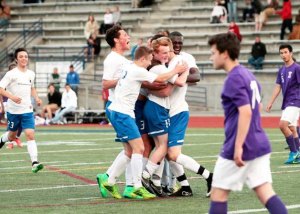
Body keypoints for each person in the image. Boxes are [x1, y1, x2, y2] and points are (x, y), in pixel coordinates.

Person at [207, 32, 287, 214]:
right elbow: (256, 107)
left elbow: (246, 111)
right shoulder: (248, 74)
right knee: (265, 192)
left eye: (213, 52)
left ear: (225, 53)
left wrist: (238, 147)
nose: (211, 57)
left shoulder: (233, 79)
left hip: (242, 145)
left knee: (218, 194)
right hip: (259, 142)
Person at [99, 45, 186, 200]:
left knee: (129, 151)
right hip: (122, 113)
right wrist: (176, 70)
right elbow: (159, 79)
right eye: (149, 60)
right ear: (143, 58)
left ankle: (109, 180)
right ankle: (136, 187)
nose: (149, 64)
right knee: (139, 147)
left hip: (118, 110)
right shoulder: (138, 70)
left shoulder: (129, 67)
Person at [96, 25, 133, 199]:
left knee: (131, 149)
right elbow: (105, 83)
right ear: (116, 40)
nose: (129, 37)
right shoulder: (112, 59)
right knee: (133, 149)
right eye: (125, 35)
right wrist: (126, 79)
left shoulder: (122, 59)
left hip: (123, 106)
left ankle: (108, 177)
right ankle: (111, 179)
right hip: (117, 106)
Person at [0, 48, 43, 173]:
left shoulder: (31, 74)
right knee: (12, 135)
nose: (24, 58)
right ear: (16, 59)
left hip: (27, 110)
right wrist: (12, 97)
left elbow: (32, 88)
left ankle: (34, 162)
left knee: (30, 134)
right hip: (13, 112)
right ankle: (2, 139)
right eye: (21, 57)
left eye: (26, 56)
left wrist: (37, 98)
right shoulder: (11, 74)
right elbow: (0, 88)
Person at [266, 44, 300, 164]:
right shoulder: (281, 70)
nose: (283, 55)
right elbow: (278, 87)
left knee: (282, 125)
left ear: (291, 53)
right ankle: (298, 153)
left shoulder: (297, 68)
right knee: (292, 128)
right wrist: (270, 102)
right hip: (287, 102)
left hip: (295, 101)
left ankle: (293, 151)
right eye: (281, 53)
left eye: (285, 52)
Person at [4, 61, 23, 149]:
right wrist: (2, 105)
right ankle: (11, 141)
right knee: (11, 125)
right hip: (11, 106)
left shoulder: (22, 79)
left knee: (21, 123)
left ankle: (17, 138)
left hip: (21, 105)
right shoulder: (7, 80)